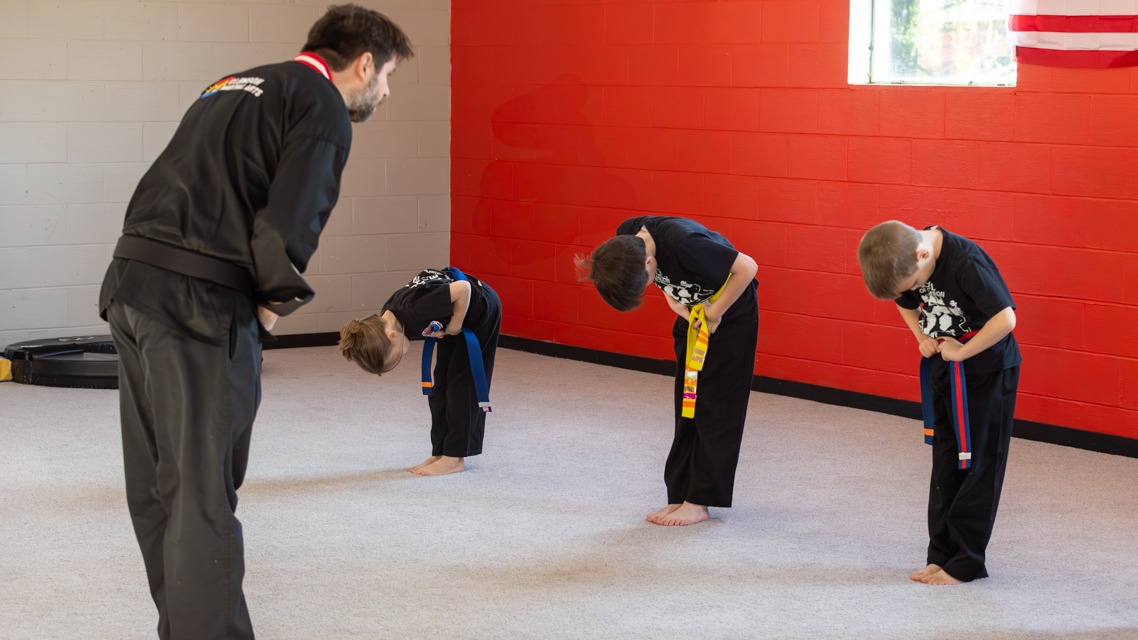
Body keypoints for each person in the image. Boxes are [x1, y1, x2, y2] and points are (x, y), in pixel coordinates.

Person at [98, 6, 413, 638]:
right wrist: (268, 309)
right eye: (389, 76)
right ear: (364, 63)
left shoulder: (234, 82)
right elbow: (289, 223)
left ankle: (183, 629)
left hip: (131, 286)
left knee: (162, 485)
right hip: (198, 304)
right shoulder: (321, 105)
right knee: (203, 494)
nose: (387, 90)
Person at [856, 220, 1021, 586]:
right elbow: (906, 304)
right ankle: (941, 554)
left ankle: (967, 562)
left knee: (978, 463)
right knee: (946, 459)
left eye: (915, 284)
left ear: (923, 254)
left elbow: (1005, 319)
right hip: (946, 363)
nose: (913, 291)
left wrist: (963, 351)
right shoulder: (906, 258)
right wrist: (921, 335)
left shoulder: (965, 262)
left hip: (988, 369)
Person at [578, 216, 759, 526]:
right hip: (693, 315)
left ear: (649, 260)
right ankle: (679, 494)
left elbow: (748, 268)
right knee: (687, 401)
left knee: (716, 407)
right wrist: (678, 306)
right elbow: (666, 282)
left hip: (730, 315)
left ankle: (699, 501)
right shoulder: (626, 237)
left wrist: (713, 314)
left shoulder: (683, 244)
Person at [338, 267, 502, 476]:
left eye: (395, 358)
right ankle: (442, 451)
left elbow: (463, 289)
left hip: (480, 311)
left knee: (462, 386)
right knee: (441, 387)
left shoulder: (415, 310)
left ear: (392, 337)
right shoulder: (387, 320)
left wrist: (454, 326)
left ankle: (455, 458)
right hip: (458, 315)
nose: (400, 358)